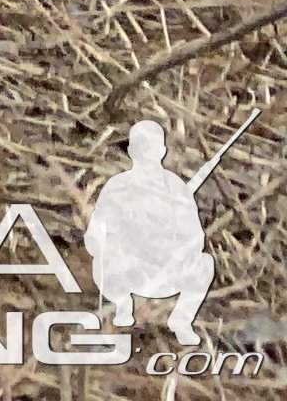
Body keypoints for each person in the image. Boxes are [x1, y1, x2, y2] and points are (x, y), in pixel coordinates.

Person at [85, 119, 218, 342]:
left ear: (162, 150)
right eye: (142, 147)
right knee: (104, 260)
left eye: (152, 146)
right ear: (131, 151)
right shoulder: (117, 186)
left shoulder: (176, 188)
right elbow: (95, 234)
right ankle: (122, 307)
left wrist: (178, 251)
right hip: (126, 270)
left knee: (205, 264)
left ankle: (181, 321)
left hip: (165, 271)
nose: (147, 153)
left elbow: (196, 237)